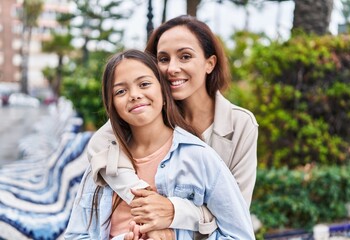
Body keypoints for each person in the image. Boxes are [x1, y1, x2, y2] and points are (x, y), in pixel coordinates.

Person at [88, 15, 258, 236]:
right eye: (163, 59)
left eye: (185, 56)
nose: (172, 68)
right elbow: (98, 146)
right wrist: (141, 195)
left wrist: (174, 212)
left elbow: (235, 214)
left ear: (210, 63)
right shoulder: (147, 113)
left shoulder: (240, 125)